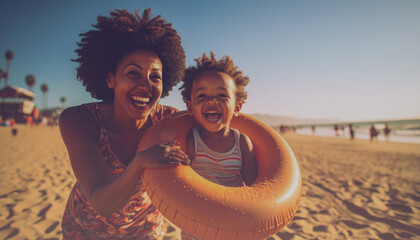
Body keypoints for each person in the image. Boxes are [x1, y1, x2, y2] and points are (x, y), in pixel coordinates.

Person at [59, 9, 188, 239]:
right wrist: (139, 163)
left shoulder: (171, 121)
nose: (146, 86)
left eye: (155, 77)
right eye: (133, 74)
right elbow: (102, 203)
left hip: (146, 231)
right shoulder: (79, 120)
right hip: (86, 230)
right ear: (111, 79)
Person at [178, 52, 258, 240]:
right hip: (197, 229)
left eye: (222, 95)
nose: (211, 101)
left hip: (233, 228)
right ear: (190, 107)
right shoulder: (192, 141)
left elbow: (256, 191)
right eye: (202, 95)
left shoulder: (242, 143)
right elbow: (181, 184)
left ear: (237, 107)